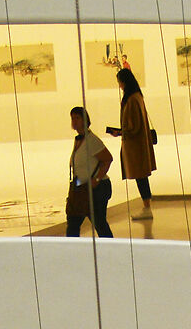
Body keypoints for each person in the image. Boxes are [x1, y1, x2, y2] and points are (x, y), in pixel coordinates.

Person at [104, 65, 155, 218]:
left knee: (141, 176)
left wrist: (120, 132)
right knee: (141, 176)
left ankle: (147, 207)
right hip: (138, 144)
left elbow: (133, 126)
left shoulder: (132, 99)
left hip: (135, 145)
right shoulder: (137, 96)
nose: (119, 86)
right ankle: (147, 206)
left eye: (119, 82)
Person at [66, 104, 114, 238]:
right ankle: (72, 249)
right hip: (81, 186)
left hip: (97, 188)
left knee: (99, 222)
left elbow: (108, 159)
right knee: (73, 223)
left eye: (77, 118)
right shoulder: (78, 140)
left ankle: (111, 249)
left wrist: (97, 179)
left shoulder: (92, 140)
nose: (74, 121)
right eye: (72, 118)